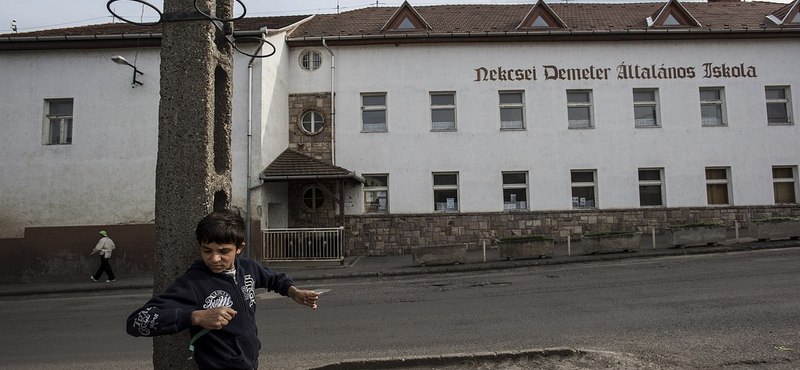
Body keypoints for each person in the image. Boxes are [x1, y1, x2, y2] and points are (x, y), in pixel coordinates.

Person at [126, 209, 319, 370]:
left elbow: (273, 279)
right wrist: (195, 317)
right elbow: (136, 322)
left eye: (223, 251)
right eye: (207, 250)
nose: (214, 259)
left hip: (249, 362)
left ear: (239, 248)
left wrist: (294, 292)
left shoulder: (247, 268)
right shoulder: (194, 282)